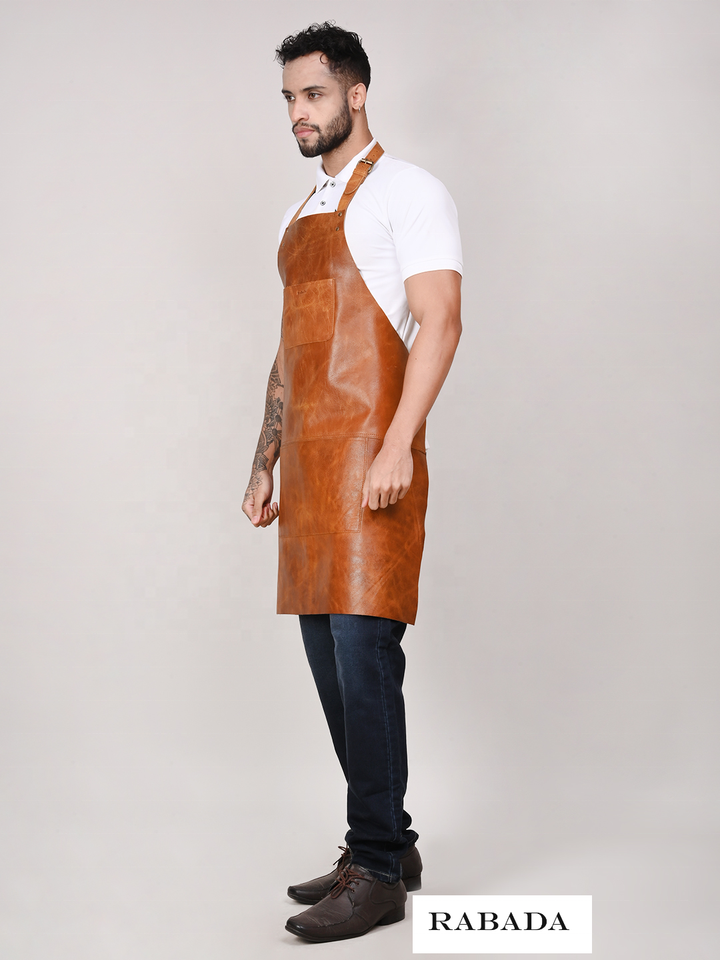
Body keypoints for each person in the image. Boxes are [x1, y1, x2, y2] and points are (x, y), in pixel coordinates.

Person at [242, 22, 462, 943]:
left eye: (315, 94)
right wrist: (263, 461)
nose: (299, 112)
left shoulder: (409, 191)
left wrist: (398, 445)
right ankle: (389, 843)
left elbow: (440, 320)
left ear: (357, 94)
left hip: (373, 463)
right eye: (290, 98)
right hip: (310, 474)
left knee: (366, 668)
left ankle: (374, 869)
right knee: (333, 673)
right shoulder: (299, 216)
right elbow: (291, 355)